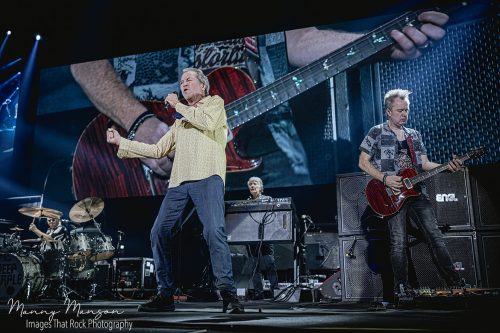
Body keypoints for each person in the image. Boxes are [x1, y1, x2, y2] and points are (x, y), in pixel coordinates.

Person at [69, 9, 448, 197]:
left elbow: (298, 41)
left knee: (277, 246)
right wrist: (141, 126)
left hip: (264, 147)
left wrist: (380, 44)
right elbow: (83, 61)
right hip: (146, 163)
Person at [106, 68, 244, 313]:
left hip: (208, 176)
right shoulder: (180, 123)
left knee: (214, 231)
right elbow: (157, 150)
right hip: (179, 182)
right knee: (159, 231)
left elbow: (207, 122)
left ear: (203, 85)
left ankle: (229, 295)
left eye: (188, 80)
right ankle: (165, 294)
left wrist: (178, 105)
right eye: (181, 82)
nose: (183, 84)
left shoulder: (214, 104)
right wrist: (122, 142)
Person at [358, 89, 464, 300]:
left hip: (416, 191)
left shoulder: (414, 135)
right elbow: (362, 162)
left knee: (434, 236)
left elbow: (424, 164)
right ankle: (402, 288)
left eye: (406, 110)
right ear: (389, 111)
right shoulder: (376, 132)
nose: (404, 114)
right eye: (400, 111)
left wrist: (447, 166)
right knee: (398, 242)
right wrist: (386, 179)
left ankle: (456, 284)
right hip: (392, 194)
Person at [246, 176, 278, 299]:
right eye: (250, 184)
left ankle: (274, 290)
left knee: (269, 263)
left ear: (260, 187)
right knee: (254, 266)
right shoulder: (246, 202)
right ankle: (258, 292)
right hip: (251, 237)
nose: (252, 186)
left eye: (254, 184)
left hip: (266, 236)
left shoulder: (268, 199)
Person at [29, 216, 69, 282]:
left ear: (58, 220)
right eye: (49, 220)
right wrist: (38, 246)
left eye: (53, 220)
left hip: (56, 259)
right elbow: (45, 240)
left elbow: (50, 239)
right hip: (46, 257)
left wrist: (35, 230)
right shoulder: (49, 230)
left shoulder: (61, 228)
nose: (51, 222)